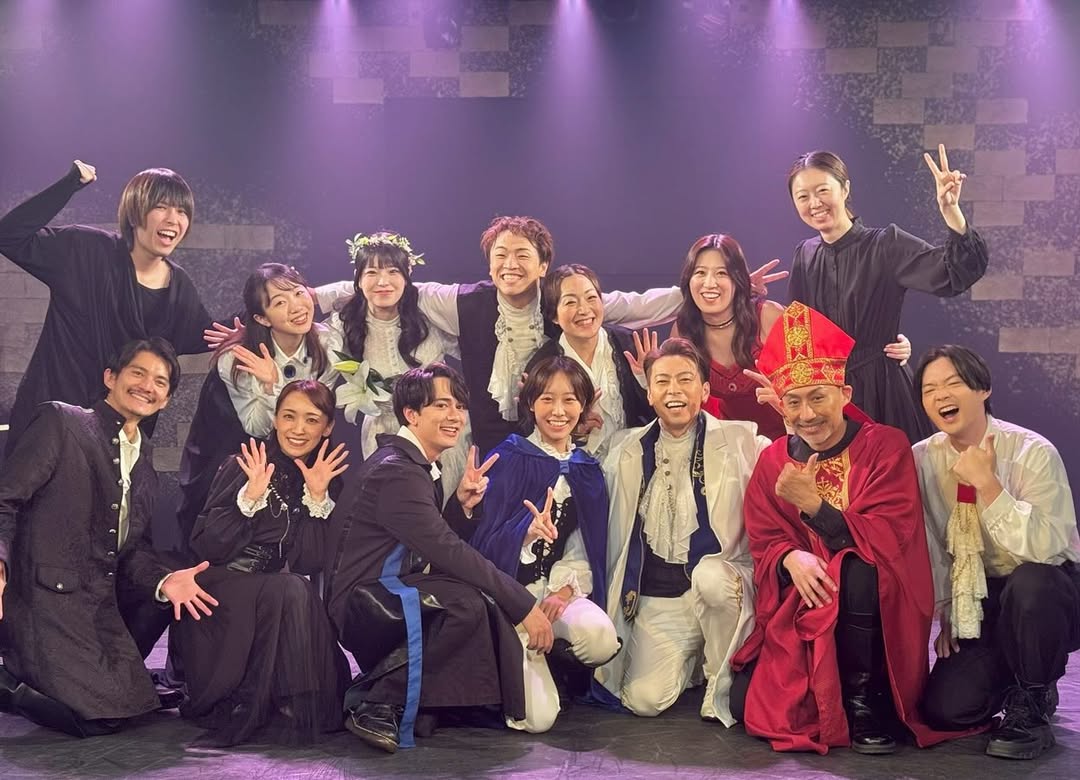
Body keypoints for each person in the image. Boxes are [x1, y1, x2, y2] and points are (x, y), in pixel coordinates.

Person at [729, 302, 952, 755]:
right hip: (804, 600)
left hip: (877, 604)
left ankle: (864, 697)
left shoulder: (885, 446)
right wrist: (791, 557)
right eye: (794, 401)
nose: (807, 414)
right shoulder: (773, 460)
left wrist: (813, 505)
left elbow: (887, 537)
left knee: (858, 567)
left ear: (845, 393)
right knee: (744, 704)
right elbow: (765, 536)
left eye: (818, 398)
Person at [324, 363, 555, 753]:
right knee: (463, 604)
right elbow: (446, 550)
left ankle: (423, 701)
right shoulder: (398, 471)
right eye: (442, 406)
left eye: (460, 407)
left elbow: (426, 540)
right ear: (411, 414)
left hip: (383, 588)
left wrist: (460, 506)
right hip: (364, 602)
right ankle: (377, 701)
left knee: (468, 598)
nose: (455, 416)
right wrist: (522, 604)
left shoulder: (411, 464)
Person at [314, 216, 684, 455]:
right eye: (500, 255)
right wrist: (311, 298)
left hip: (556, 440)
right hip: (488, 444)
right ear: (490, 265)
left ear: (543, 265)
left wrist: (695, 295)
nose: (510, 264)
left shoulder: (564, 301)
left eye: (522, 255)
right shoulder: (462, 302)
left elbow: (632, 304)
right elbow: (390, 284)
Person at [0, 338, 217, 737]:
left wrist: (164, 580)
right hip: (43, 599)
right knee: (94, 718)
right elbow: (5, 499)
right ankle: (8, 685)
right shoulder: (62, 421)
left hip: (96, 604)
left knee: (130, 709)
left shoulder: (145, 462)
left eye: (160, 382)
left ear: (167, 399)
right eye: (138, 373)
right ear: (110, 377)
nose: (147, 386)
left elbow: (130, 551)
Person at [912, 345, 1080, 760]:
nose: (941, 395)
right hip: (982, 597)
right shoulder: (922, 459)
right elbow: (931, 542)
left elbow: (1046, 547)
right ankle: (1017, 671)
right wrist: (949, 608)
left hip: (1051, 593)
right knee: (948, 710)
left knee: (1031, 582)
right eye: (930, 389)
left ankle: (1034, 699)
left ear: (983, 388)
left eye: (953, 383)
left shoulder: (1032, 451)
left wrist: (988, 486)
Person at [596, 338, 769, 724]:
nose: (673, 390)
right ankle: (692, 657)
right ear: (649, 393)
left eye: (685, 380)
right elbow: (584, 487)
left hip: (721, 588)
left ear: (705, 390)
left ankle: (719, 679)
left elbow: (788, 465)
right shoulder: (624, 448)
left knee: (710, 577)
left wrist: (789, 416)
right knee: (643, 701)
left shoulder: (743, 440)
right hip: (662, 598)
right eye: (662, 381)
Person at [175, 380, 351, 746]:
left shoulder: (324, 478)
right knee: (291, 588)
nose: (298, 429)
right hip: (219, 592)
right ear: (275, 419)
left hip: (271, 598)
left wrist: (317, 498)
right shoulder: (246, 464)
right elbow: (208, 547)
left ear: (327, 427)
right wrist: (249, 499)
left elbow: (308, 561)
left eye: (311, 419)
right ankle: (286, 697)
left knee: (293, 588)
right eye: (288, 416)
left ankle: (290, 698)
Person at [0, 161, 212, 453]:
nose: (173, 219)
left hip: (118, 442)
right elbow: (8, 235)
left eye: (182, 211)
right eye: (161, 207)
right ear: (135, 212)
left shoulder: (180, 288)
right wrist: (69, 184)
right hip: (51, 432)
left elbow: (208, 335)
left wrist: (259, 318)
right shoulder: (86, 251)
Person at [785, 146, 989, 443]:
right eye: (803, 196)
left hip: (883, 390)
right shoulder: (804, 255)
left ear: (845, 189)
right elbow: (797, 333)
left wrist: (951, 213)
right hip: (826, 397)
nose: (814, 203)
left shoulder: (885, 244)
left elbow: (950, 273)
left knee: (893, 468)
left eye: (822, 190)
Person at [470, 357, 620, 719]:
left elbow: (586, 545)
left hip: (555, 592)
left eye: (569, 400)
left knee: (601, 641)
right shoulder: (509, 457)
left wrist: (565, 590)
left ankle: (554, 666)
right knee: (537, 720)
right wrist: (523, 535)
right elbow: (481, 548)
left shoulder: (587, 469)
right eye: (547, 399)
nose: (558, 411)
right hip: (512, 598)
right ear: (530, 403)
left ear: (583, 406)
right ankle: (514, 662)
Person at [176, 263, 339, 555]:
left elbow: (319, 406)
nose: (296, 307)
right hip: (235, 443)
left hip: (299, 442)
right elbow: (257, 428)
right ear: (262, 318)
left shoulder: (329, 343)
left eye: (299, 293)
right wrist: (270, 386)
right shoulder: (236, 360)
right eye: (280, 302)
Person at [524, 265, 653, 457]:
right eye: (570, 302)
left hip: (631, 462)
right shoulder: (541, 365)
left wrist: (648, 381)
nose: (584, 309)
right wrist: (573, 431)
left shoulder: (630, 344)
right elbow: (531, 433)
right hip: (573, 467)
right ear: (554, 315)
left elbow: (655, 416)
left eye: (591, 298)